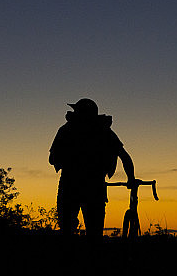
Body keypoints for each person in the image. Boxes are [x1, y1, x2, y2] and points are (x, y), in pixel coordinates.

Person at [49, 98, 135, 238]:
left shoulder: (66, 130)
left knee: (66, 231)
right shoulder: (105, 132)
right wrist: (131, 178)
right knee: (94, 234)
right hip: (95, 188)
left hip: (69, 187)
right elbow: (124, 156)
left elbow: (52, 159)